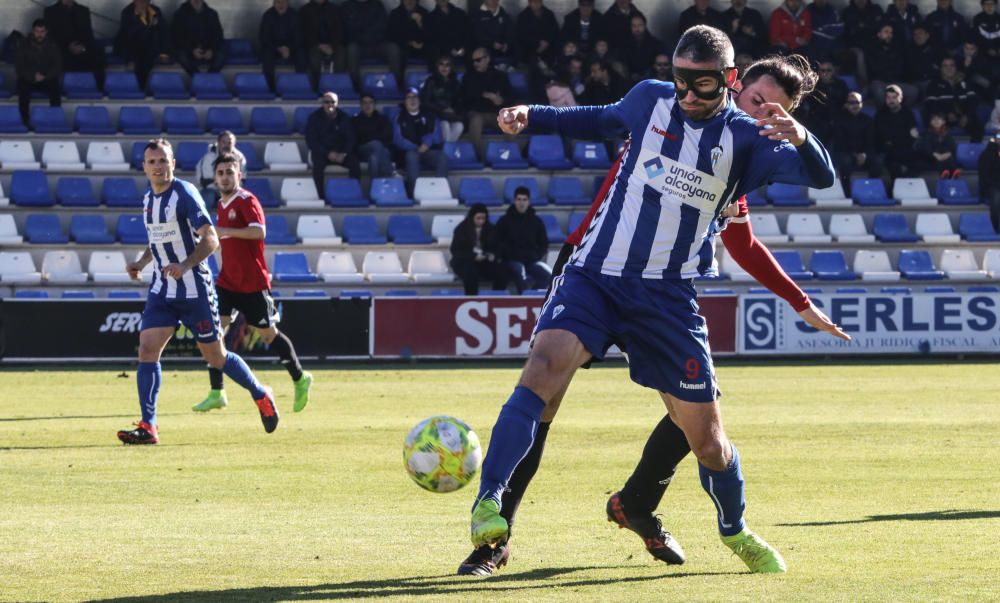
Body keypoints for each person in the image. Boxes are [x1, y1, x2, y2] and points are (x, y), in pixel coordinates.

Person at [460, 25, 836, 577]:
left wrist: (800, 135)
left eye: (701, 86)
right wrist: (530, 113)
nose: (687, 95)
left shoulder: (752, 142)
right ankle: (490, 510)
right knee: (541, 376)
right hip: (594, 275)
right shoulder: (650, 99)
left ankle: (734, 529)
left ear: (726, 80)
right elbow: (595, 117)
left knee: (706, 441)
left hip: (665, 295)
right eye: (681, 80)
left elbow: (821, 178)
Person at [117, 139, 279, 445]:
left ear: (173, 163)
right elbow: (158, 239)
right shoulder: (148, 200)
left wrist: (186, 264)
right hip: (163, 290)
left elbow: (211, 238)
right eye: (152, 162)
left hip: (195, 290)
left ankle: (261, 393)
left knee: (216, 356)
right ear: (144, 167)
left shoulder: (185, 194)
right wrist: (140, 262)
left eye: (163, 161)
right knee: (147, 349)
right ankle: (149, 426)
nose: (158, 167)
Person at [193, 153, 314, 415]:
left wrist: (227, 231)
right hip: (227, 282)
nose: (225, 176)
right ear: (215, 178)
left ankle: (300, 378)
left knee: (269, 335)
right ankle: (217, 392)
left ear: (240, 175)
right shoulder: (221, 205)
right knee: (215, 335)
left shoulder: (247, 200)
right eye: (221, 172)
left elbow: (260, 231)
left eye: (230, 171)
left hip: (253, 284)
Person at [494, 186, 550, 294]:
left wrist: (536, 256)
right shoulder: (504, 220)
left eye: (524, 200)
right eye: (519, 199)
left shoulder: (536, 221)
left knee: (549, 276)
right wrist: (504, 255)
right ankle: (523, 300)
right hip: (511, 261)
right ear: (514, 201)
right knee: (520, 272)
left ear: (528, 201)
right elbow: (496, 241)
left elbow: (544, 244)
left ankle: (532, 298)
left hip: (531, 261)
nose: (521, 203)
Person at [306, 91, 361, 199]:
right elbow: (311, 141)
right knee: (318, 166)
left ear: (337, 103)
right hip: (322, 153)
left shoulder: (344, 118)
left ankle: (354, 194)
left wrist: (344, 153)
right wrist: (327, 153)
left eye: (333, 102)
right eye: (327, 102)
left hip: (341, 153)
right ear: (322, 103)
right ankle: (320, 196)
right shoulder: (314, 118)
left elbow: (351, 139)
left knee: (355, 164)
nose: (330, 104)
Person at [393, 87, 448, 193]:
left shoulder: (429, 115)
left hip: (428, 151)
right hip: (410, 152)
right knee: (411, 156)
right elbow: (398, 139)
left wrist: (427, 143)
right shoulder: (399, 117)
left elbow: (437, 134)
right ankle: (415, 192)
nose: (412, 100)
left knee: (442, 157)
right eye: (409, 98)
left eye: (415, 97)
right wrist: (415, 147)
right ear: (404, 102)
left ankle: (441, 190)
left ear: (419, 100)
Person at [460, 48, 512, 158]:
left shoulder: (500, 76)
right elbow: (465, 99)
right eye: (473, 61)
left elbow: (510, 97)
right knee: (475, 120)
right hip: (477, 113)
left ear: (487, 59)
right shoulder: (468, 77)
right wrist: (486, 96)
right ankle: (479, 156)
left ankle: (508, 153)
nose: (475, 63)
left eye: (478, 60)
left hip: (496, 114)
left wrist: (501, 100)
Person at [43, 0, 104, 88]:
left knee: (99, 58)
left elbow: (89, 36)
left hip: (82, 52)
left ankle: (101, 89)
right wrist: (68, 47)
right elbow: (50, 38)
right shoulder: (50, 12)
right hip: (62, 53)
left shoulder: (83, 10)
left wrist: (82, 48)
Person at [833, 91, 884, 195]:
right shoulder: (839, 121)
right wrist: (855, 155)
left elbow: (870, 141)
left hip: (864, 154)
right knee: (845, 162)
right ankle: (846, 193)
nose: (854, 105)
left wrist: (864, 154)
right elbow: (840, 143)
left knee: (877, 162)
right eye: (851, 103)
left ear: (861, 104)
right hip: (847, 153)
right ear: (846, 104)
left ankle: (871, 191)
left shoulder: (868, 120)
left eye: (857, 102)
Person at [450, 203, 505, 295]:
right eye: (478, 218)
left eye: (483, 218)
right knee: (471, 275)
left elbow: (498, 247)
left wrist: (493, 255)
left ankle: (496, 299)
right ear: (472, 217)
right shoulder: (461, 229)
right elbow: (456, 250)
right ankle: (471, 301)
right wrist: (473, 256)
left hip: (484, 262)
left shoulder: (491, 229)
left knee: (501, 273)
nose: (481, 221)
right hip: (465, 261)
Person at [343, 0, 400, 88]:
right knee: (352, 49)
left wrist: (370, 37)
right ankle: (355, 85)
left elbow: (383, 26)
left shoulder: (377, 5)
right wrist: (364, 37)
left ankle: (395, 83)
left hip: (377, 44)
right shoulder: (346, 7)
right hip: (359, 46)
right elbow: (348, 30)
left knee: (392, 48)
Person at [15, 19, 61, 127]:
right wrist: (32, 76)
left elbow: (57, 66)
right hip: (29, 79)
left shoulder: (53, 45)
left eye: (42, 31)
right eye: (37, 31)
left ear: (46, 32)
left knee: (55, 88)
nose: (39, 34)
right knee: (23, 87)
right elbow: (19, 67)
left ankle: (55, 120)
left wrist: (45, 76)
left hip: (46, 79)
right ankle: (24, 121)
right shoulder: (23, 44)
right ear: (32, 31)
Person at [114, 0, 169, 90]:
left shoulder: (155, 11)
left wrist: (164, 52)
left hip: (151, 47)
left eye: (146, 2)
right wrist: (143, 21)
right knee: (140, 61)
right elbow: (130, 36)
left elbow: (164, 32)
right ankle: (141, 88)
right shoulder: (127, 13)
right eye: (140, 2)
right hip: (132, 47)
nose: (143, 4)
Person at [924, 56, 983, 141]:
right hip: (943, 117)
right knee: (936, 122)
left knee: (977, 126)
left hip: (962, 116)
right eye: (945, 66)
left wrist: (966, 116)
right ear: (941, 68)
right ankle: (940, 152)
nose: (949, 68)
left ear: (956, 68)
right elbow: (930, 105)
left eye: (952, 65)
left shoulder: (965, 83)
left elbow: (973, 102)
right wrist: (946, 113)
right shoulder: (934, 85)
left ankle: (974, 152)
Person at [259, 0, 307, 93]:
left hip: (292, 48)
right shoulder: (268, 15)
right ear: (274, 3)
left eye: (283, 2)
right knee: (267, 56)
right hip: (274, 48)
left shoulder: (294, 15)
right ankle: (270, 89)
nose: (280, 5)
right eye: (278, 2)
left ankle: (300, 87)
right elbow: (264, 37)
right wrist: (278, 48)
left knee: (301, 55)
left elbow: (299, 37)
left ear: (287, 3)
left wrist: (289, 48)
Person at [874, 84, 919, 178]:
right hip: (888, 151)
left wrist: (894, 138)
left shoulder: (908, 114)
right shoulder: (880, 115)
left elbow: (914, 135)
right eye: (888, 97)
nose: (891, 100)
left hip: (906, 150)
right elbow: (881, 136)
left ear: (900, 98)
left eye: (894, 97)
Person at [171, 0, 224, 76]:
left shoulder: (212, 14)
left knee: (221, 56)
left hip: (208, 49)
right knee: (182, 56)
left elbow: (218, 35)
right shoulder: (180, 14)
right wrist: (192, 50)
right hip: (188, 49)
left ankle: (208, 79)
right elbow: (176, 37)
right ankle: (198, 79)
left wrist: (212, 50)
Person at [300, 0, 346, 88]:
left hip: (333, 45)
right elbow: (304, 32)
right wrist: (318, 45)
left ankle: (337, 86)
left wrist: (332, 46)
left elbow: (339, 30)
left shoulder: (335, 9)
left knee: (341, 53)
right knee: (314, 59)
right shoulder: (305, 11)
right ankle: (316, 87)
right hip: (314, 45)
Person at [420, 56, 465, 142]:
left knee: (460, 126)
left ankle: (446, 150)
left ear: (451, 67)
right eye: (441, 64)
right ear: (437, 66)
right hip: (435, 114)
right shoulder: (431, 81)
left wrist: (454, 110)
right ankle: (447, 151)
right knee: (445, 125)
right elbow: (425, 102)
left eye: (447, 65)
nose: (444, 68)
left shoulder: (455, 83)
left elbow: (459, 102)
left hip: (451, 115)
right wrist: (441, 109)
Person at [353, 94, 394, 179]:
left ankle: (374, 188)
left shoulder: (383, 119)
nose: (368, 105)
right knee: (376, 144)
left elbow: (387, 137)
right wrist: (375, 138)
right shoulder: (355, 121)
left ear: (374, 105)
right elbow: (356, 140)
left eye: (370, 102)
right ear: (361, 105)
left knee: (374, 159)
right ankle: (390, 176)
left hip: (379, 150)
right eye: (365, 103)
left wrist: (367, 136)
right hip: (362, 151)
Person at [195, 131, 247, 198]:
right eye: (224, 142)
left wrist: (228, 189)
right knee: (207, 195)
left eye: (229, 143)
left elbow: (242, 179)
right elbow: (206, 181)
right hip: (211, 189)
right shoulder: (208, 157)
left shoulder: (239, 157)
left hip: (231, 189)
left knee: (242, 196)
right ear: (218, 143)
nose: (226, 145)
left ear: (234, 144)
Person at [387, 0, 429, 75]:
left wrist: (420, 23)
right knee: (399, 53)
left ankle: (433, 81)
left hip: (422, 47)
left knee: (433, 50)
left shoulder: (424, 13)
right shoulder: (395, 14)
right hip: (404, 46)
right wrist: (409, 43)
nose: (410, 1)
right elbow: (392, 36)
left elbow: (430, 35)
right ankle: (399, 82)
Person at [425, 0, 469, 66]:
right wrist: (449, 49)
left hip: (461, 49)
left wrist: (464, 47)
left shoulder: (460, 13)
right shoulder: (430, 18)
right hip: (442, 51)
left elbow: (467, 34)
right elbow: (432, 39)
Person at [472, 0, 516, 66]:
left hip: (502, 47)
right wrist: (492, 43)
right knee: (483, 53)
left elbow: (510, 32)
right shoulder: (477, 15)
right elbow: (478, 35)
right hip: (486, 47)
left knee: (517, 48)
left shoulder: (504, 14)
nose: (493, 0)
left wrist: (506, 43)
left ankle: (512, 69)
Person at [979, 133, 1000, 231]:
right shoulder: (987, 154)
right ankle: (996, 227)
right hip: (992, 186)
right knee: (996, 199)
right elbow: (984, 175)